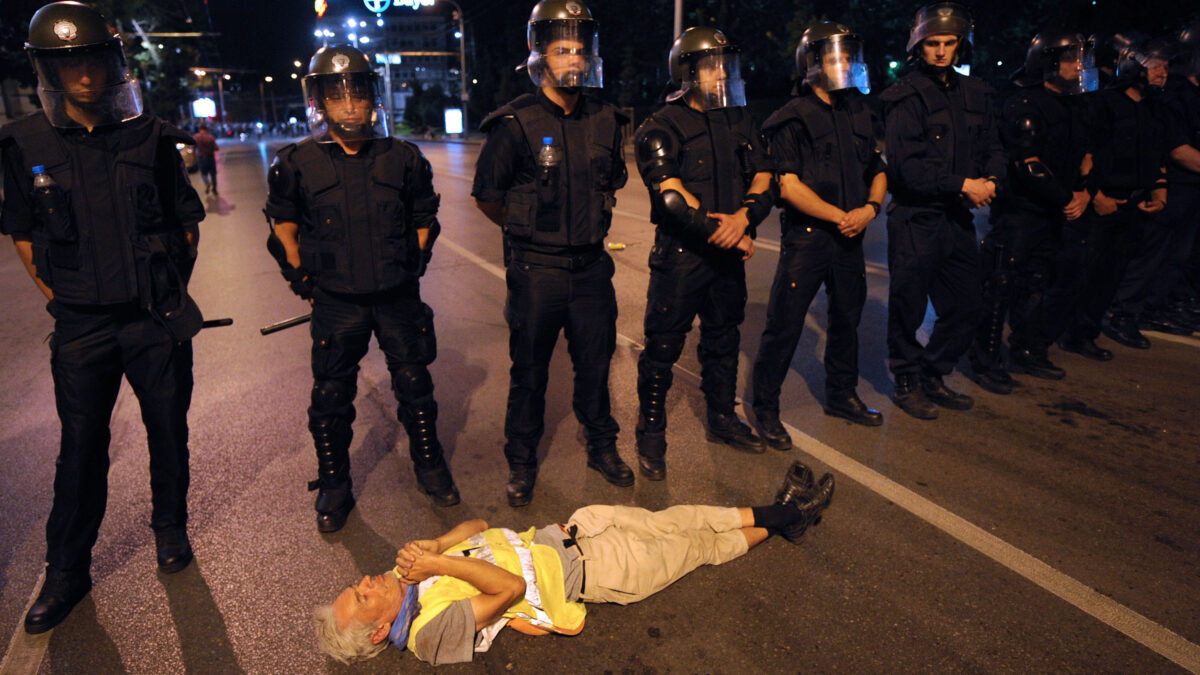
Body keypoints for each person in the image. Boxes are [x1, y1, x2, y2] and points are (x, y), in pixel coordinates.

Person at [0, 1, 205, 633]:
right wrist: (65, 299)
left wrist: (165, 294)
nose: (84, 74)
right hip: (82, 328)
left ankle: (170, 530)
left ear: (110, 62)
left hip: (152, 320)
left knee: (168, 431)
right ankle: (67, 571)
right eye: (69, 63)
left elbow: (185, 224)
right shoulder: (26, 142)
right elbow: (26, 236)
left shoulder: (149, 134)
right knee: (80, 449)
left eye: (92, 59)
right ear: (48, 72)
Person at [313, 461, 836, 665]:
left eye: (356, 585)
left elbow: (476, 530)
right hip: (601, 572)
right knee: (697, 547)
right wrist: (440, 568)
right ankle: (788, 516)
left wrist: (435, 543)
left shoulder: (411, 574)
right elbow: (508, 588)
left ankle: (784, 513)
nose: (365, 580)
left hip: (575, 529)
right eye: (362, 597)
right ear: (381, 630)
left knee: (681, 516)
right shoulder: (428, 634)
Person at [264, 45, 459, 533]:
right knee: (331, 398)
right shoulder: (296, 163)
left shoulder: (404, 158)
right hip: (337, 302)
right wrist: (302, 282)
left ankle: (431, 467)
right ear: (321, 103)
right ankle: (334, 483)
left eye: (357, 93)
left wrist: (412, 266)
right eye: (336, 95)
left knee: (415, 387)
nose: (349, 104)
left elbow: (423, 218)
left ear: (373, 97)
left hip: (396, 297)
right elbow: (282, 227)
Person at [473, 0, 632, 506]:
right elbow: (488, 196)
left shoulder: (608, 119)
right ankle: (521, 462)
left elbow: (612, 185)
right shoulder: (515, 123)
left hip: (590, 271)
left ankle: (601, 445)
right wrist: (528, 235)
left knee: (595, 365)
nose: (573, 60)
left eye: (580, 50)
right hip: (536, 273)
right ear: (539, 53)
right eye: (562, 49)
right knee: (530, 372)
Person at [630, 27, 774, 475]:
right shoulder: (661, 126)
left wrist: (743, 220)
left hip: (729, 251)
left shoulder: (740, 119)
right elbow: (670, 197)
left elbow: (766, 175)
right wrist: (726, 230)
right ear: (686, 71)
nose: (721, 73)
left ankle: (722, 418)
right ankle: (650, 435)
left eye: (725, 64)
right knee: (663, 347)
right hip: (681, 256)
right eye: (711, 65)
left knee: (724, 338)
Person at [751, 22, 887, 436]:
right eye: (833, 58)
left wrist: (870, 208)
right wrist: (840, 217)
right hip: (809, 239)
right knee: (785, 323)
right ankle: (765, 407)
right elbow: (788, 186)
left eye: (847, 56)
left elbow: (879, 168)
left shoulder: (859, 110)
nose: (843, 65)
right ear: (812, 64)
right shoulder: (791, 118)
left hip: (851, 234)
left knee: (848, 318)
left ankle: (841, 395)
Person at [879, 2, 1005, 420]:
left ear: (959, 45)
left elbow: (994, 147)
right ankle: (907, 380)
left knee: (968, 304)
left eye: (949, 43)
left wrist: (991, 181)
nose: (940, 51)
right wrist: (962, 184)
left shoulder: (976, 94)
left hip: (956, 218)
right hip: (917, 217)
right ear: (920, 45)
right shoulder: (905, 96)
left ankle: (934, 373)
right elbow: (905, 166)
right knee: (908, 308)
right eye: (932, 43)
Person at [968, 30, 1097, 391]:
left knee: (1037, 284)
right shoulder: (1025, 102)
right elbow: (1028, 164)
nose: (1077, 66)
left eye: (1079, 59)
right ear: (1048, 61)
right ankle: (985, 360)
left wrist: (1083, 191)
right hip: (1021, 213)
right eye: (1069, 58)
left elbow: (1086, 156)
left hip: (1053, 213)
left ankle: (1025, 350)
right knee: (1000, 285)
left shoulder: (1076, 105)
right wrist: (1067, 197)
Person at [1060, 37, 1169, 354]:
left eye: (1166, 66)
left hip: (1134, 204)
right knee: (1085, 272)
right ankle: (1068, 332)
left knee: (1111, 275)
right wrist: (1096, 196)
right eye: (1157, 66)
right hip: (1103, 201)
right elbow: (1085, 153)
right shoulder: (1104, 104)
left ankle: (1086, 333)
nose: (1163, 73)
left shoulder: (1153, 109)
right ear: (1135, 67)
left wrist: (1159, 190)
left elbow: (1157, 154)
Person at [193, 123, 218, 195]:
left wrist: (195, 157)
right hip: (210, 157)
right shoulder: (211, 137)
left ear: (200, 130)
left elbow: (193, 148)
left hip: (201, 158)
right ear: (206, 130)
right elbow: (216, 148)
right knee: (213, 174)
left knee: (203, 174)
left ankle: (207, 183)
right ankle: (214, 189)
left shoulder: (196, 137)